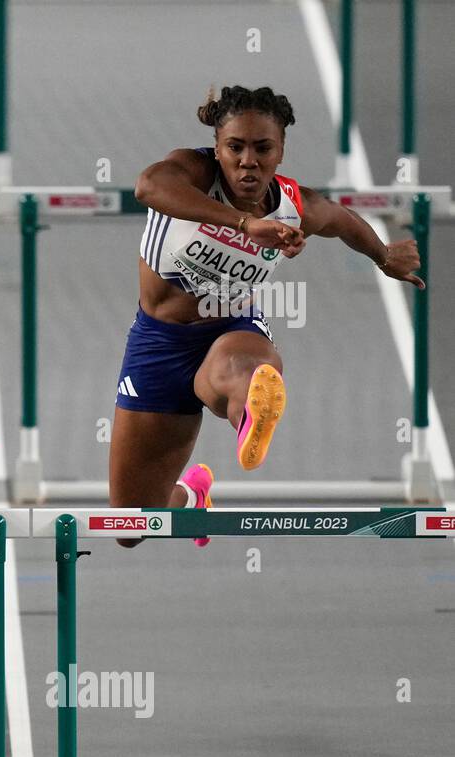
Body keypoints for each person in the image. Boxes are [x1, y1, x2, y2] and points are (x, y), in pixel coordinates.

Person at [112, 86, 424, 547]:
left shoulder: (294, 207)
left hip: (232, 329)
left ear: (280, 151)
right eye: (234, 147)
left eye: (263, 148)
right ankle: (191, 494)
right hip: (158, 342)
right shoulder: (191, 172)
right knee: (131, 527)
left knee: (240, 374)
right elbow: (148, 187)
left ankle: (249, 413)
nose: (247, 161)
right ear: (216, 148)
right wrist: (242, 224)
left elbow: (343, 222)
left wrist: (383, 256)